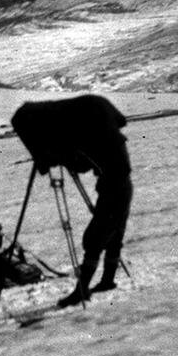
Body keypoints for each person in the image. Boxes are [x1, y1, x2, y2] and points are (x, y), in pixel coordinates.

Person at [55, 106, 133, 308]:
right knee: (114, 236)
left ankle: (82, 290)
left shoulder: (105, 139)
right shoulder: (113, 137)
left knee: (95, 238)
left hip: (113, 192)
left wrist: (70, 159)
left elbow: (86, 164)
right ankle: (107, 281)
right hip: (121, 190)